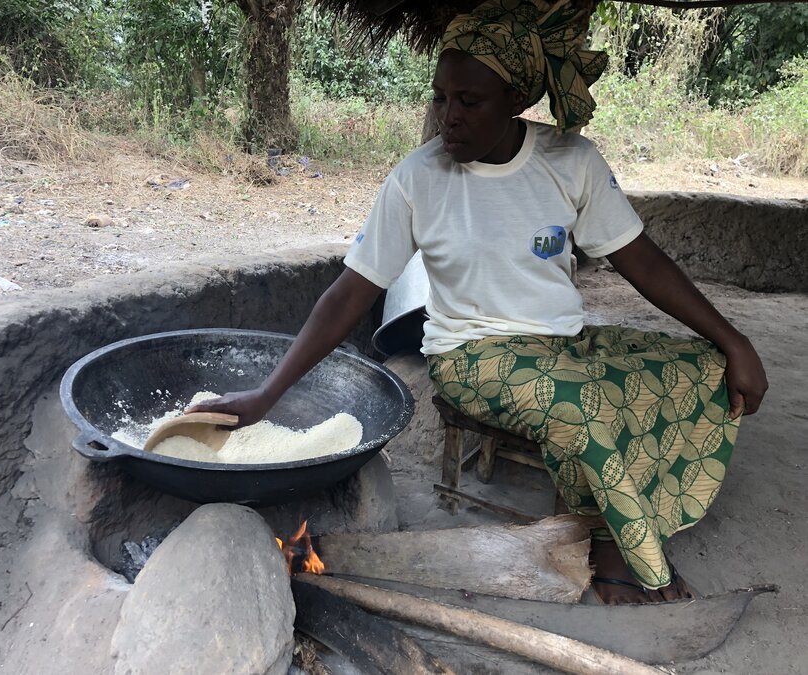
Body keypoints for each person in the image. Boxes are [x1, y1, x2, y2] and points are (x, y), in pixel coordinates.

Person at [189, 0, 768, 604]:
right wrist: (266, 394)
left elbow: (641, 260)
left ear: (516, 101)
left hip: (564, 343)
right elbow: (349, 294)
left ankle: (617, 510)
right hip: (474, 355)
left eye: (470, 102)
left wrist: (734, 341)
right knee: (586, 402)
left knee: (695, 366)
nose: (448, 118)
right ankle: (612, 546)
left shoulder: (571, 162)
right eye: (440, 98)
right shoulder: (418, 178)